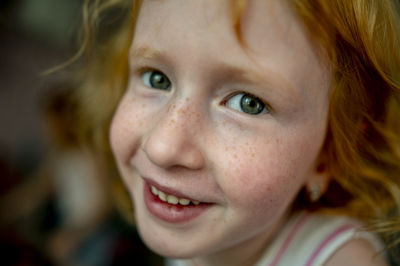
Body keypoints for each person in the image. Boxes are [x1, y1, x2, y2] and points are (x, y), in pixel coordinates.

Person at [74, 0, 400, 265]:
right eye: (156, 78)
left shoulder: (342, 260)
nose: (162, 147)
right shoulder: (203, 240)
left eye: (248, 103)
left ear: (327, 155)